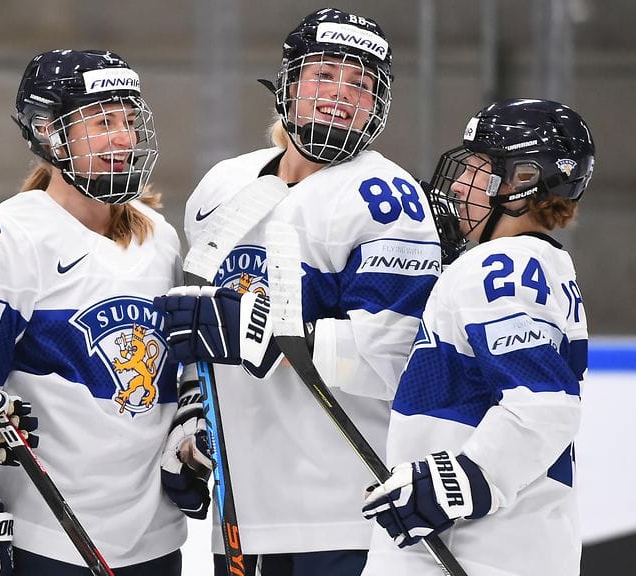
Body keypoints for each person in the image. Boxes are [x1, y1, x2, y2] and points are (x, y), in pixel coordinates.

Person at [154, 8, 442, 576]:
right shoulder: (223, 187)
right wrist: (192, 416)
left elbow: (398, 359)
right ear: (288, 84)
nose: (339, 94)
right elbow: (199, 330)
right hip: (240, 517)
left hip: (345, 510)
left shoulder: (386, 199)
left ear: (378, 104)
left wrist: (260, 332)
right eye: (324, 75)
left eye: (360, 83)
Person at [0, 49, 188, 575]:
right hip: (48, 534)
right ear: (49, 132)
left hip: (154, 535)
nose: (123, 138)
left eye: (128, 121)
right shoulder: (6, 238)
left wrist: (190, 438)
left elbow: (178, 375)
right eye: (103, 122)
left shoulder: (161, 240)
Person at [360, 98, 595, 575]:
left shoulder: (502, 265)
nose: (461, 184)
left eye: (478, 169)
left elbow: (543, 405)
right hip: (493, 549)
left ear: (524, 181)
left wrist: (462, 482)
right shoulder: (534, 266)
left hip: (476, 552)